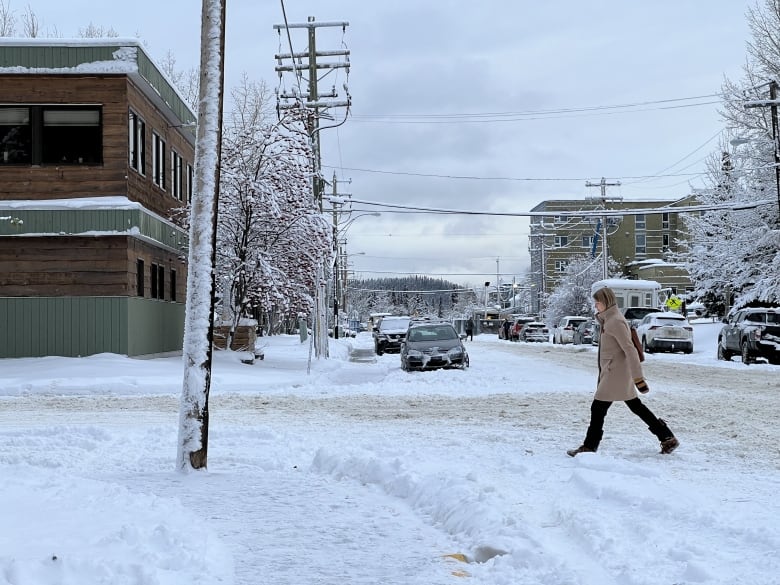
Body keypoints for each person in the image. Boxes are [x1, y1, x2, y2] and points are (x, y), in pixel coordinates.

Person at [567, 286, 680, 457]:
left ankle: (590, 446)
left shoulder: (615, 321)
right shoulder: (609, 319)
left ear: (605, 302)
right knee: (635, 407)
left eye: (597, 303)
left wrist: (638, 379)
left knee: (598, 408)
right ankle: (667, 437)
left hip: (615, 374)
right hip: (614, 372)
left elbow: (630, 350)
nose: (595, 306)